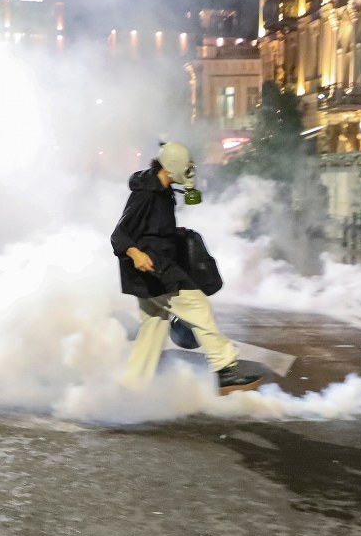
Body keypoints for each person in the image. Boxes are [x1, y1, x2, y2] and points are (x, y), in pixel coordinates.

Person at [110, 142, 262, 394]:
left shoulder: (164, 191)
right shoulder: (146, 193)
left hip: (154, 269)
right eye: (187, 167)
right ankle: (224, 368)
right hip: (154, 269)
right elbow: (119, 235)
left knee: (153, 325)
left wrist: (177, 234)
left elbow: (154, 228)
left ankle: (132, 387)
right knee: (198, 307)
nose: (190, 171)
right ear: (172, 166)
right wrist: (136, 254)